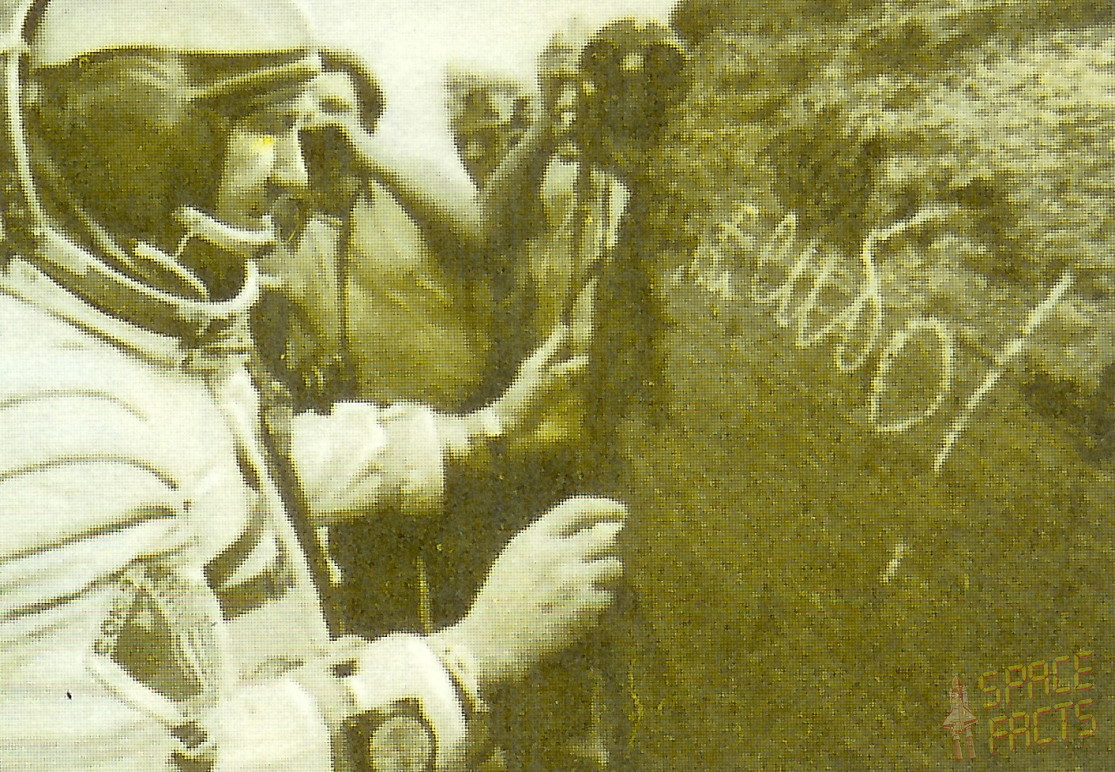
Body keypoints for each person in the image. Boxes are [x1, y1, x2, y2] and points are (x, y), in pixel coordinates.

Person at [0, 1, 626, 770]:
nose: (295, 171)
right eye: (270, 130)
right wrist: (465, 660)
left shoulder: (123, 350)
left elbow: (248, 462)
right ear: (141, 145)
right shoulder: (61, 427)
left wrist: (481, 429)